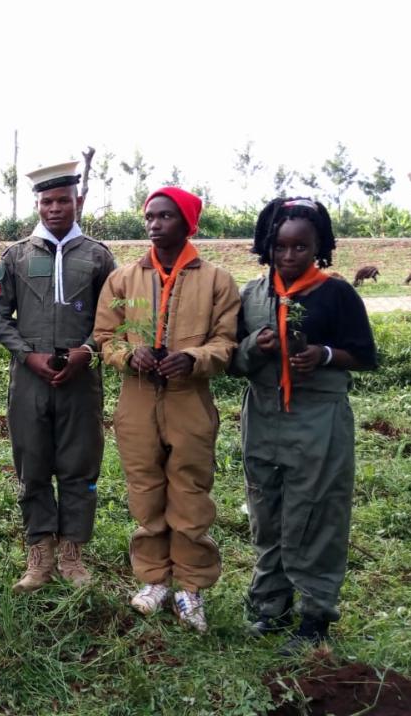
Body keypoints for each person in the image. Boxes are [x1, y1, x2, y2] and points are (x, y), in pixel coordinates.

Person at [232, 197, 376, 654]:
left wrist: (325, 355)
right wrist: (257, 343)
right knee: (265, 511)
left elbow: (365, 354)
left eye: (301, 247)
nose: (290, 256)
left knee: (316, 513)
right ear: (267, 246)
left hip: (318, 416)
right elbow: (233, 358)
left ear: (320, 247)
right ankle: (272, 606)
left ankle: (315, 617)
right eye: (281, 246)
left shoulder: (336, 293)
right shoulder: (254, 294)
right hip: (263, 413)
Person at [94, 187, 239, 633]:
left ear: (187, 222)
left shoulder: (217, 280)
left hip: (188, 398)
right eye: (150, 217)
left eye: (165, 217)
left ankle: (190, 586)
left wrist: (194, 359)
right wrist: (126, 355)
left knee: (190, 489)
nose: (155, 225)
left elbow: (227, 342)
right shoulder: (124, 278)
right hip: (137, 399)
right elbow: (105, 336)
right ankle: (154, 579)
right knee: (144, 486)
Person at [0, 161, 115, 593]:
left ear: (78, 201)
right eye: (46, 201)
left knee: (80, 465)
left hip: (80, 380)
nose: (55, 209)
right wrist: (26, 356)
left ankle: (73, 553)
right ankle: (40, 552)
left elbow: (113, 317)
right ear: (37, 205)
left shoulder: (98, 256)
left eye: (63, 200)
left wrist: (88, 352)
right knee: (33, 463)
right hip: (30, 380)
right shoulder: (17, 256)